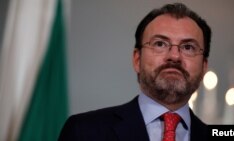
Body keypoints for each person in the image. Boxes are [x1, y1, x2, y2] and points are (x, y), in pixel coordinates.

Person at [58, 2, 211, 141]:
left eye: (188, 47)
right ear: (137, 60)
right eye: (160, 44)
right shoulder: (84, 131)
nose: (174, 56)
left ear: (204, 66)